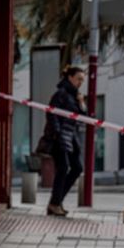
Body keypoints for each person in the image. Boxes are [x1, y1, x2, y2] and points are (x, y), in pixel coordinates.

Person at [45, 66, 88, 216]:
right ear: (70, 77)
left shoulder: (74, 95)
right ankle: (54, 204)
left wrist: (81, 102)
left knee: (77, 168)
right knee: (63, 168)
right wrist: (57, 133)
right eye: (78, 79)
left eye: (82, 80)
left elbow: (83, 116)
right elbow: (51, 114)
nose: (81, 82)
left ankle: (56, 201)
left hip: (72, 136)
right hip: (60, 136)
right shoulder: (61, 94)